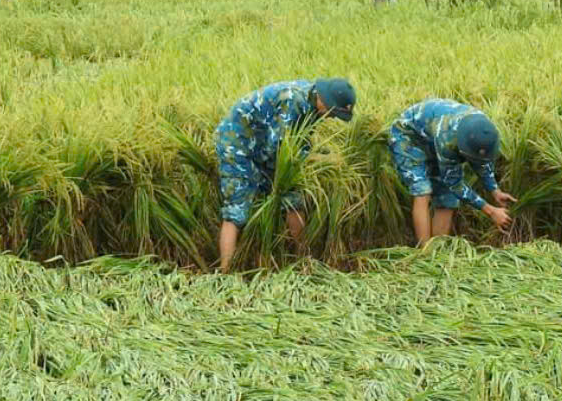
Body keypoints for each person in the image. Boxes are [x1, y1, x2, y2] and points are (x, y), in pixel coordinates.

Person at [215, 78, 356, 272]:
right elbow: (282, 149)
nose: (332, 117)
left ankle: (303, 262)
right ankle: (225, 272)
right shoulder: (293, 102)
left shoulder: (314, 104)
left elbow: (299, 139)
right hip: (238, 144)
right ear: (325, 100)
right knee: (237, 209)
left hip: (266, 145)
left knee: (293, 200)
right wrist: (318, 160)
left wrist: (318, 155)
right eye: (334, 112)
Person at [387, 99, 515, 245]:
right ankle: (425, 254)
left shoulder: (484, 131)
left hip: (433, 138)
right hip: (408, 137)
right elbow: (454, 184)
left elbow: (481, 160)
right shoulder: (447, 138)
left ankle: (438, 252)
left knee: (447, 199)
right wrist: (491, 211)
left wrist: (495, 190)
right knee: (422, 190)